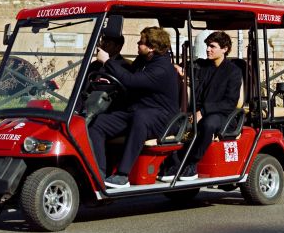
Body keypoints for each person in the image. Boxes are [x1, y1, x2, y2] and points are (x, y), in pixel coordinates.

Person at [87, 26, 179, 189]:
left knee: (140, 118)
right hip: (138, 111)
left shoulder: (161, 68)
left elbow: (131, 81)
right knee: (99, 123)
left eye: (141, 42)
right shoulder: (143, 61)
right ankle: (98, 173)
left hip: (163, 118)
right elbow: (126, 76)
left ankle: (122, 175)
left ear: (152, 47)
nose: (137, 44)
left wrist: (107, 61)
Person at [160, 31, 242, 182]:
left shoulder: (233, 71)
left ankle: (192, 163)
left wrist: (203, 112)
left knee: (207, 124)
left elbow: (229, 102)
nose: (208, 49)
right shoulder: (202, 65)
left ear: (225, 49)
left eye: (212, 46)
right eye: (207, 46)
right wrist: (178, 69)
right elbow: (186, 68)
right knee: (173, 121)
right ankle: (173, 162)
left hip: (222, 115)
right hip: (197, 111)